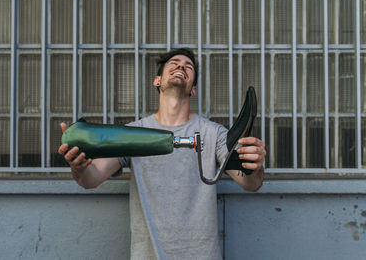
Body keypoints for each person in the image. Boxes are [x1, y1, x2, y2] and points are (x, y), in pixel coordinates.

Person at [58, 48, 266, 260]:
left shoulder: (214, 134)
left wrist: (254, 166)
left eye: (188, 66)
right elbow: (91, 179)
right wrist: (79, 167)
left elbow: (250, 184)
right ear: (157, 81)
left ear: (193, 89)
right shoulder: (132, 134)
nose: (181, 66)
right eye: (174, 63)